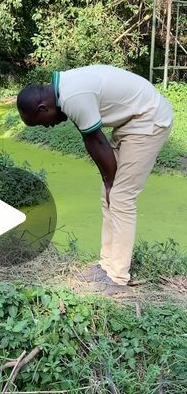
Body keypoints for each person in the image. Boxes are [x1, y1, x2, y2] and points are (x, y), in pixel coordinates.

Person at [16, 65, 173, 295]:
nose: (48, 127)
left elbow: (97, 141)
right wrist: (107, 181)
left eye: (42, 122)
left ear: (43, 107)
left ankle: (118, 278)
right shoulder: (65, 90)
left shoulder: (73, 96)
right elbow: (91, 141)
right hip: (130, 123)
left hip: (148, 120)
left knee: (121, 196)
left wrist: (111, 182)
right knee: (108, 193)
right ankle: (105, 265)